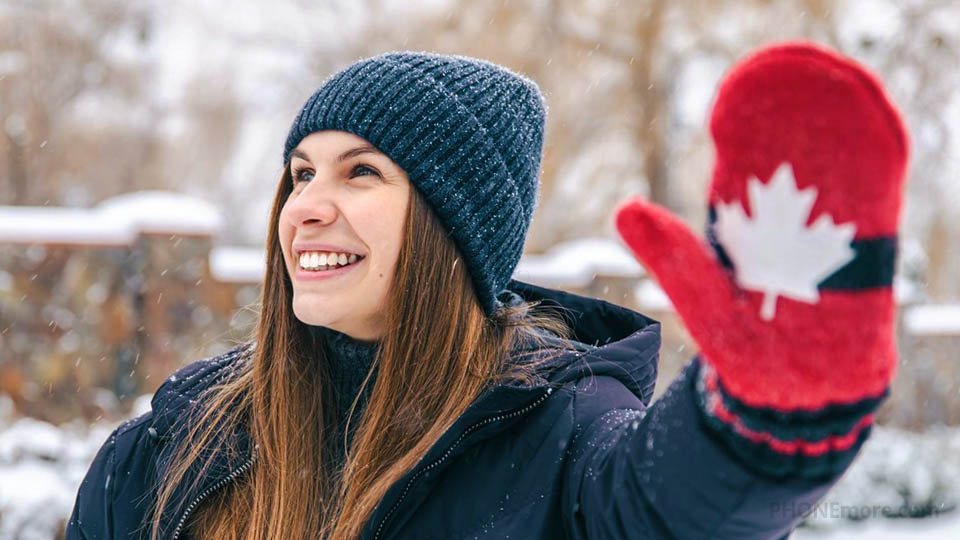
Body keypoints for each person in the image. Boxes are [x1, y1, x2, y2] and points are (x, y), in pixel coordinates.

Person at [65, 43, 908, 540]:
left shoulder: (562, 445)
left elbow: (672, 506)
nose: (306, 207)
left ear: (451, 229)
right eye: (300, 172)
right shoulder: (171, 454)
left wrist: (764, 420)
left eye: (363, 173)